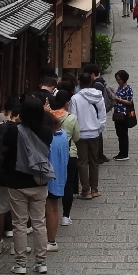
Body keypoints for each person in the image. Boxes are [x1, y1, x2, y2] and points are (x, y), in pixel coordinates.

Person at [0, 94, 54, 274]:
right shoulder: (46, 131)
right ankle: (41, 262)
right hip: (39, 180)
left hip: (17, 181)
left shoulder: (15, 130)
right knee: (39, 222)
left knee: (19, 223)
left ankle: (21, 263)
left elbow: (4, 147)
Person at [0, 96, 22, 254]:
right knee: (18, 211)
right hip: (16, 174)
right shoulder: (21, 130)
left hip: (0, 173)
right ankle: (17, 245)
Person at [69, 72, 106, 200]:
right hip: (95, 132)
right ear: (91, 82)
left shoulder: (75, 98)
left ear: (79, 82)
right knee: (94, 161)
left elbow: (73, 117)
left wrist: (75, 133)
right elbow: (102, 114)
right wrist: (99, 128)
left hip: (81, 133)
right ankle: (95, 188)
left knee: (82, 162)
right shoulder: (98, 96)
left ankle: (86, 190)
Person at [47, 88, 80, 227]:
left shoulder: (48, 116)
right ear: (67, 103)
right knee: (68, 184)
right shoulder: (71, 118)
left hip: (50, 153)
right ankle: (65, 216)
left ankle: (47, 212)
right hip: (70, 153)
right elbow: (77, 137)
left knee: (49, 182)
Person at [45, 108, 71, 251]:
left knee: (46, 210)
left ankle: (47, 239)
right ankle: (52, 241)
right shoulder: (63, 135)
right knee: (54, 209)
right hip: (60, 175)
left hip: (47, 177)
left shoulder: (48, 138)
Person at [111, 70, 134, 160]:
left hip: (123, 114)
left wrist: (118, 99)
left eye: (119, 79)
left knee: (123, 134)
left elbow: (129, 102)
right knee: (119, 133)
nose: (118, 81)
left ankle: (124, 153)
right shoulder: (120, 88)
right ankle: (121, 152)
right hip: (117, 113)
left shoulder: (128, 89)